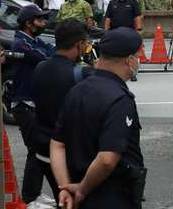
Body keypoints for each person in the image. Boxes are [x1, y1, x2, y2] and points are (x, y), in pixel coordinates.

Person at [51, 28, 146, 208]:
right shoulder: (120, 100)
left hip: (78, 192)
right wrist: (82, 190)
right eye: (137, 56)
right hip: (110, 195)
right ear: (129, 60)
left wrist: (64, 187)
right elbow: (106, 160)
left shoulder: (76, 91)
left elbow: (57, 144)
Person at [29, 20, 95, 202]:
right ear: (79, 44)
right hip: (69, 152)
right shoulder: (83, 74)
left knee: (61, 197)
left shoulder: (40, 68)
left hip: (43, 150)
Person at [10, 4, 57, 200]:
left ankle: (33, 195)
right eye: (39, 20)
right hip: (24, 104)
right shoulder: (21, 44)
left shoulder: (34, 40)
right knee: (35, 150)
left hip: (34, 103)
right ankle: (29, 197)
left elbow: (54, 50)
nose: (43, 23)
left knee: (39, 150)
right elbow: (46, 57)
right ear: (29, 23)